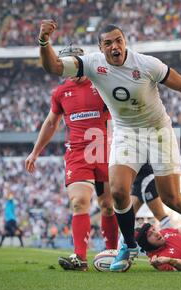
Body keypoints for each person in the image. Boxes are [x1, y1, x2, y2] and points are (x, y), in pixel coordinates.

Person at [38, 21, 181, 272]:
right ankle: (128, 246)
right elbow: (54, 66)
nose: (115, 46)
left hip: (158, 131)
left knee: (172, 199)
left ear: (125, 42)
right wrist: (44, 41)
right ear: (100, 47)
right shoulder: (93, 64)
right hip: (127, 133)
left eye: (118, 40)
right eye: (108, 43)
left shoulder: (146, 64)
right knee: (117, 191)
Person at [25, 45, 118, 271]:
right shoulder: (60, 92)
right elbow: (51, 123)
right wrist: (35, 152)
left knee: (107, 205)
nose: (68, 68)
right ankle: (80, 258)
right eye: (64, 64)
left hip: (104, 150)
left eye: (72, 63)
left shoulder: (102, 83)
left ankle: (113, 253)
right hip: (77, 153)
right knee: (78, 202)